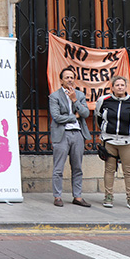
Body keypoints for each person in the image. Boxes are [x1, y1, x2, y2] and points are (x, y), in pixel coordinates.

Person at [95, 76, 130, 211]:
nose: (120, 87)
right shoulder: (103, 101)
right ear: (112, 87)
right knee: (109, 170)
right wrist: (106, 134)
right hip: (110, 141)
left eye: (122, 85)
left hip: (128, 142)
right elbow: (99, 118)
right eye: (117, 85)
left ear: (126, 87)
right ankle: (108, 196)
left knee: (128, 171)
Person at [49, 68, 92, 208]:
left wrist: (75, 100)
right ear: (61, 80)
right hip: (62, 135)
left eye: (71, 77)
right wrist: (74, 117)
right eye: (66, 77)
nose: (69, 80)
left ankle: (77, 197)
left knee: (77, 167)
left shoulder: (79, 95)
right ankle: (57, 196)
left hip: (77, 134)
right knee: (58, 168)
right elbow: (56, 117)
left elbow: (85, 113)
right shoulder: (54, 96)